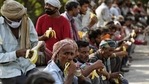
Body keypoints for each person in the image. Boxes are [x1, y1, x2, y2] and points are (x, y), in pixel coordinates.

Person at [0, 0, 39, 84]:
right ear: (5, 17)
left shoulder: (26, 21)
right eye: (13, 20)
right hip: (9, 71)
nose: (17, 22)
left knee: (42, 79)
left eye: (19, 19)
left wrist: (38, 46)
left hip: (28, 66)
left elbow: (34, 42)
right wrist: (16, 54)